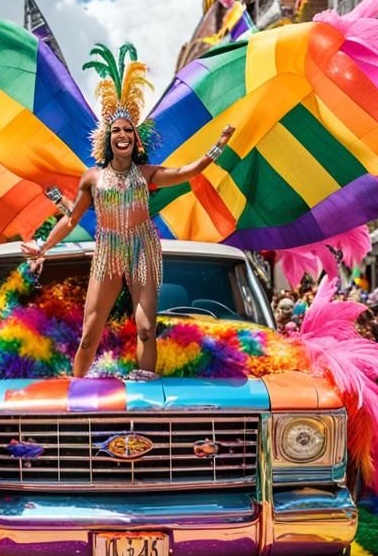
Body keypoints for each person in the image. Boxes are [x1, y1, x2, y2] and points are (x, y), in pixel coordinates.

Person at [21, 46, 235, 377]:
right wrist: (43, 247)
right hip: (108, 250)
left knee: (146, 327)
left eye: (128, 130)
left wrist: (218, 145)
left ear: (136, 141)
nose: (122, 134)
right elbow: (71, 218)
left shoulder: (147, 174)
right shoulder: (92, 178)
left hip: (143, 248)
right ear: (108, 140)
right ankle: (75, 393)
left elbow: (188, 172)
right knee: (90, 333)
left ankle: (147, 394)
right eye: (116, 130)